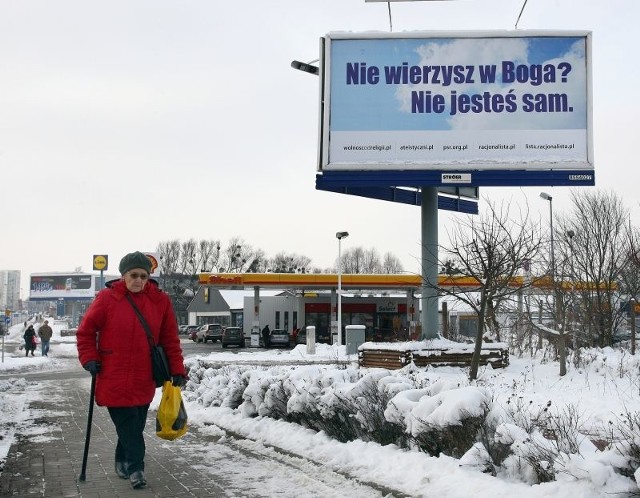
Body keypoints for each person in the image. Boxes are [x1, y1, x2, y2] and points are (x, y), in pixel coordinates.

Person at [76, 251, 187, 490]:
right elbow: (85, 333)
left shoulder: (160, 301)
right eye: (133, 275)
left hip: (144, 376)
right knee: (127, 422)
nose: (139, 280)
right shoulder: (107, 298)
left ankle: (121, 457)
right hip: (113, 374)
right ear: (123, 275)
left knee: (134, 425)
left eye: (143, 276)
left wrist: (177, 369)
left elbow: (170, 339)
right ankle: (136, 468)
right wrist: (89, 359)